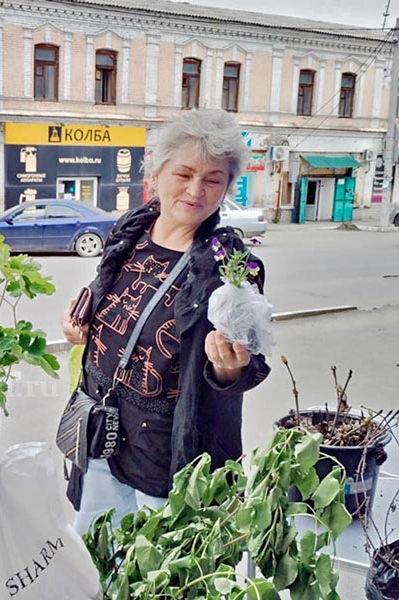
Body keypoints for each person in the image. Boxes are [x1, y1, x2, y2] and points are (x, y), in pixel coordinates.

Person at [60, 109, 271, 535]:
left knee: (157, 569)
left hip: (171, 450)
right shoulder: (130, 232)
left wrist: (230, 368)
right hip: (103, 431)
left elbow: (251, 363)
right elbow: (116, 307)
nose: (196, 191)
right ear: (156, 173)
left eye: (213, 180)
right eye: (184, 174)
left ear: (228, 187)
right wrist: (80, 331)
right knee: (94, 556)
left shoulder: (232, 265)